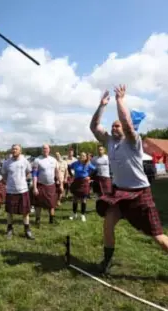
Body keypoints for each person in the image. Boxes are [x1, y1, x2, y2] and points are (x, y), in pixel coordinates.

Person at [90, 85, 168, 273]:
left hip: (140, 192)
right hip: (119, 191)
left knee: (157, 236)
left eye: (117, 125)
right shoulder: (109, 142)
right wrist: (101, 106)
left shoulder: (133, 141)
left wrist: (119, 101)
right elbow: (94, 127)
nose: (114, 128)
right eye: (113, 126)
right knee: (108, 224)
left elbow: (127, 123)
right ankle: (107, 262)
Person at [2, 144, 34, 239]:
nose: (14, 150)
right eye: (13, 149)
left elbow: (28, 172)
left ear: (20, 151)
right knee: (9, 212)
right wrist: (9, 182)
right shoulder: (6, 163)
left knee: (25, 212)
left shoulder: (25, 161)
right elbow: (4, 175)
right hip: (11, 190)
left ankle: (27, 230)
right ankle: (9, 229)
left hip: (23, 190)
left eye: (16, 149)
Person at [32, 144, 63, 226]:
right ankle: (37, 220)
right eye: (43, 148)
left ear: (49, 150)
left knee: (51, 203)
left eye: (46, 148)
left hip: (51, 185)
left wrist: (60, 183)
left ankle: (51, 219)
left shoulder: (53, 160)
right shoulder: (37, 160)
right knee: (38, 204)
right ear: (42, 150)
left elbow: (57, 172)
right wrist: (35, 187)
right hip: (40, 185)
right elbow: (34, 174)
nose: (45, 150)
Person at [68, 152, 96, 222]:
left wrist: (90, 177)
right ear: (79, 156)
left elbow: (95, 170)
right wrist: (71, 175)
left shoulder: (88, 164)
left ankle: (82, 215)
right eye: (81, 155)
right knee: (75, 198)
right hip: (76, 181)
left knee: (83, 199)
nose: (82, 157)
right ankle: (74, 213)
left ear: (86, 157)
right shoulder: (75, 163)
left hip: (84, 182)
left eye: (83, 156)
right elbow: (69, 167)